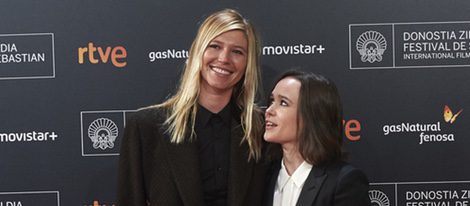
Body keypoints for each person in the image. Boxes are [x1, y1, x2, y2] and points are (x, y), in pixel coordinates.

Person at [116, 9, 266, 206]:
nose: (224, 58)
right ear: (197, 52)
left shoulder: (262, 128)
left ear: (248, 63)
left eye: (237, 52)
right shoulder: (146, 127)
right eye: (215, 46)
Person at [263, 70, 370, 206]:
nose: (269, 111)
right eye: (272, 101)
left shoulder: (343, 182)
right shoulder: (264, 178)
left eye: (283, 103)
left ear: (312, 115)